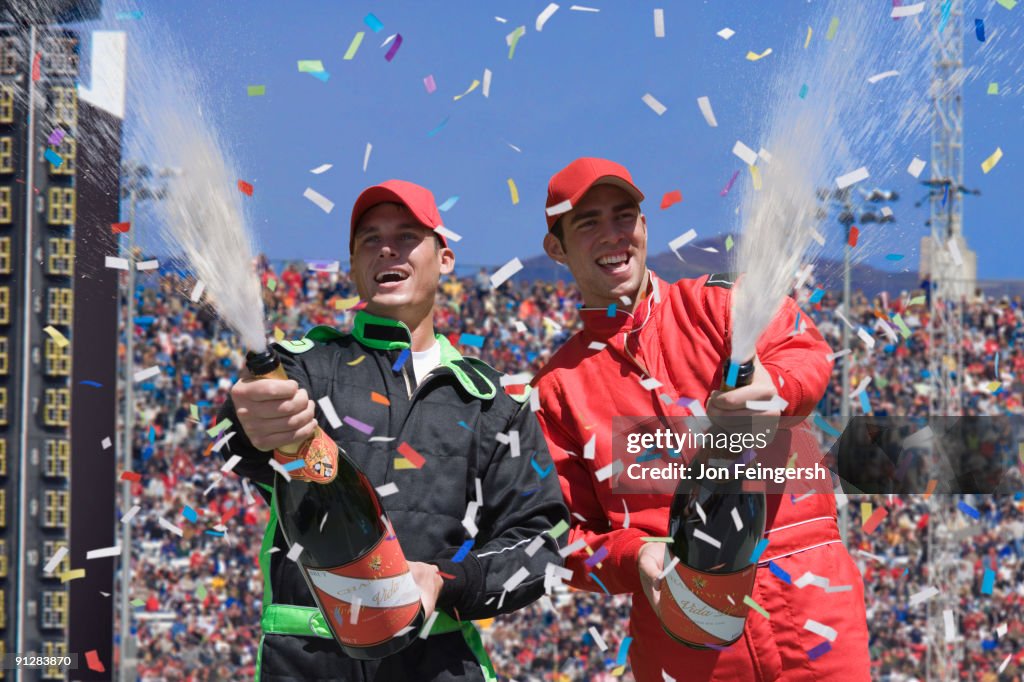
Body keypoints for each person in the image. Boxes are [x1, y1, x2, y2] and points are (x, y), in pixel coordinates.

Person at [531, 157, 871, 681]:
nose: (613, 236)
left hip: (809, 595)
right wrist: (634, 556)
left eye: (624, 217)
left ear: (645, 225)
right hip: (681, 625)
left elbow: (806, 351)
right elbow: (562, 536)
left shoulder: (720, 301)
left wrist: (775, 390)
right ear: (557, 247)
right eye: (588, 223)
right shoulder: (556, 389)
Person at [221, 179, 569, 681]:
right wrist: (248, 419)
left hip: (440, 665)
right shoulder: (306, 369)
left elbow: (543, 542)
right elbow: (235, 442)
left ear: (444, 259)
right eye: (370, 239)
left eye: (407, 235)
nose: (387, 247)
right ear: (354, 266)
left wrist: (447, 581)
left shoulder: (496, 403)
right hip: (304, 666)